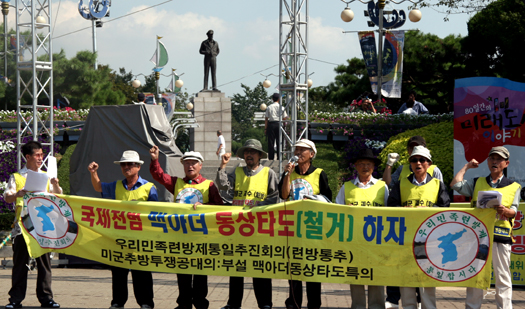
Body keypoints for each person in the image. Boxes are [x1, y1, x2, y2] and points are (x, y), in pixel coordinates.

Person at [149, 146, 223, 309]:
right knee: (182, 271)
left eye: (193, 163)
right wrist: (155, 159)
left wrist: (205, 206)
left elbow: (220, 207)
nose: (190, 166)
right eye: (187, 163)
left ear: (200, 165)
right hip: (181, 235)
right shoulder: (176, 183)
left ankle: (200, 302)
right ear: (183, 165)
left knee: (200, 272)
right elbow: (158, 176)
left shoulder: (209, 185)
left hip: (201, 236)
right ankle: (184, 303)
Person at [451, 146, 520, 309]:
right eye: (492, 158)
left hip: (500, 237)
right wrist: (467, 167)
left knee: (502, 277)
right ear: (488, 161)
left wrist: (506, 210)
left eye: (499, 159)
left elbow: (514, 211)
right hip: (478, 238)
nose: (494, 162)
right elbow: (455, 183)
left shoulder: (514, 186)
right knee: (476, 275)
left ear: (506, 163)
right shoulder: (477, 183)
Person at [88, 150, 157, 309]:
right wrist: (94, 173)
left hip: (141, 239)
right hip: (120, 238)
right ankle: (118, 302)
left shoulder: (149, 188)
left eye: (130, 164)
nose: (126, 167)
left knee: (142, 272)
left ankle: (146, 303)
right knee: (119, 272)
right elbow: (99, 187)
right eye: (123, 164)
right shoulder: (116, 186)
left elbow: (154, 213)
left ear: (138, 167)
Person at [216, 139, 279, 309]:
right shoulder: (236, 171)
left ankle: (265, 303)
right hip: (238, 227)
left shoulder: (269, 173)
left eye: (253, 152)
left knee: (261, 266)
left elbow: (274, 198)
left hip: (260, 228)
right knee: (236, 267)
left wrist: (257, 208)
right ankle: (233, 303)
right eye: (246, 152)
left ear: (259, 155)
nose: (249, 154)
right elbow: (223, 188)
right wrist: (222, 167)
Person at [388, 146, 450, 309]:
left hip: (429, 240)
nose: (418, 163)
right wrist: (402, 210)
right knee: (406, 276)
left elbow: (445, 209)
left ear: (429, 163)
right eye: (414, 160)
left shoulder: (438, 184)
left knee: (426, 277)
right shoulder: (401, 184)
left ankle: (428, 306)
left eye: (422, 160)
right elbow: (391, 207)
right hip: (405, 237)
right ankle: (408, 306)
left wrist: (427, 211)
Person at [3, 141, 62, 309]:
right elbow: (7, 197)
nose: (40, 158)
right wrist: (17, 194)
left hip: (43, 227)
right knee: (20, 264)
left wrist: (55, 184)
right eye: (37, 155)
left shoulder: (46, 176)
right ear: (27, 157)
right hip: (22, 227)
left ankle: (46, 298)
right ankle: (15, 299)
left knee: (44, 264)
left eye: (41, 155)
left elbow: (59, 196)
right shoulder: (17, 176)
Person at [278, 139, 332, 309]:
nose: (298, 153)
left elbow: (327, 199)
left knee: (312, 269)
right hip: (293, 228)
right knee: (294, 270)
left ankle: (314, 304)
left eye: (303, 150)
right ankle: (293, 304)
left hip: (313, 228)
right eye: (297, 150)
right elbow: (284, 195)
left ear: (312, 154)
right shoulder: (290, 172)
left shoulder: (319, 173)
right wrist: (287, 174)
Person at [335, 148, 387, 309]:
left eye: (369, 164)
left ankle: (377, 306)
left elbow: (391, 212)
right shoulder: (347, 187)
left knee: (376, 276)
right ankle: (357, 306)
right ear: (356, 166)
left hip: (377, 241)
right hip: (354, 240)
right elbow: (336, 211)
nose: (365, 167)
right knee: (355, 276)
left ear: (374, 167)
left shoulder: (382, 187)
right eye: (362, 164)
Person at [265, 93, 288, 160]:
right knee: (280, 141)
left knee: (271, 142)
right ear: (279, 99)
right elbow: (284, 118)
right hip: (279, 124)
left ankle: (271, 157)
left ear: (272, 99)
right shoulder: (282, 107)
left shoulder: (269, 107)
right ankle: (279, 157)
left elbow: (266, 118)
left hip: (271, 124)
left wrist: (265, 128)